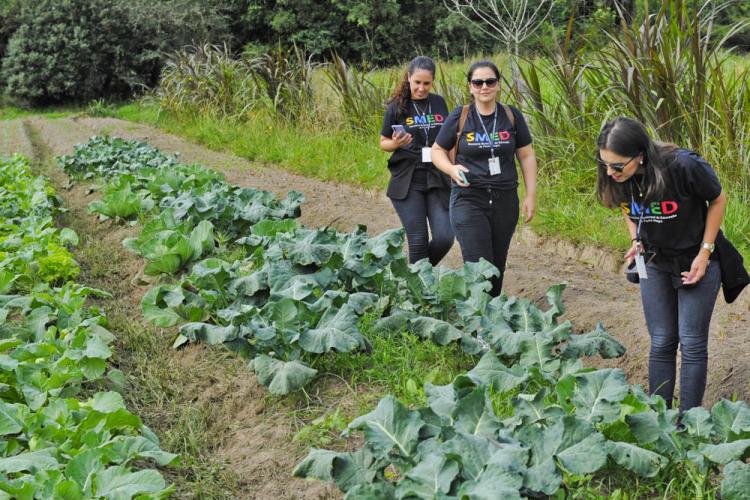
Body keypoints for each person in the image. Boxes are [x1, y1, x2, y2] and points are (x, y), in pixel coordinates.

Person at [595, 116, 748, 411]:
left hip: (694, 258)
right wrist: (635, 240)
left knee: (691, 343)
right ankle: (659, 420)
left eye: (617, 166)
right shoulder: (618, 176)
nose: (610, 172)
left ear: (639, 156)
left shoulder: (683, 166)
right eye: (605, 165)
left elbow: (718, 199)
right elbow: (627, 208)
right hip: (655, 259)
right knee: (662, 340)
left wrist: (705, 254)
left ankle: (689, 424)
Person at [431, 60, 537, 296]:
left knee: (496, 270)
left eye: (490, 81)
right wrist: (451, 169)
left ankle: (492, 326)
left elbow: (527, 155)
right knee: (480, 268)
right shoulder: (461, 115)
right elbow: (437, 150)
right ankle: (479, 326)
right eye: (478, 82)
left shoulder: (511, 115)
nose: (484, 87)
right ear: (470, 86)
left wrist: (531, 195)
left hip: (505, 200)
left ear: (498, 84)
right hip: (469, 199)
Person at [379, 56, 454, 266]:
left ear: (433, 81)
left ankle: (414, 276)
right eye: (417, 82)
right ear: (409, 78)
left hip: (437, 176)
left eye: (426, 83)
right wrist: (396, 143)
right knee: (418, 241)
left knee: (445, 237)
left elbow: (449, 138)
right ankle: (419, 292)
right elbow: (383, 142)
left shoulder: (438, 103)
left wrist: (453, 166)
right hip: (408, 179)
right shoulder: (397, 106)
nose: (421, 88)